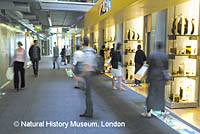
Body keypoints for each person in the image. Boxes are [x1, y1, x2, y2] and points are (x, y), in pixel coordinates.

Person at [141, 42, 169, 118]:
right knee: (161, 95)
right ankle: (162, 111)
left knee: (151, 95)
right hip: (161, 78)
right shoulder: (165, 56)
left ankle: (149, 112)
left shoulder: (152, 55)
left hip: (153, 77)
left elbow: (149, 68)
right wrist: (166, 78)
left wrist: (147, 78)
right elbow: (166, 68)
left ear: (156, 47)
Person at [79, 36, 97, 118]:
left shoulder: (86, 53)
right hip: (92, 73)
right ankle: (88, 111)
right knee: (87, 93)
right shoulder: (92, 51)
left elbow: (86, 66)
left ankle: (89, 112)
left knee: (88, 94)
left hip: (88, 74)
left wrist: (81, 75)